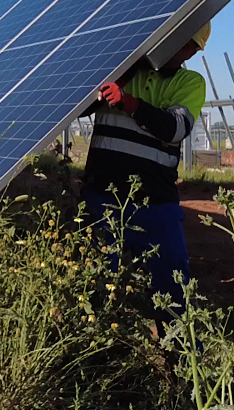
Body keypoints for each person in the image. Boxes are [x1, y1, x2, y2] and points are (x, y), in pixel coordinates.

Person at [80, 25, 209, 307]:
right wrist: (125, 73)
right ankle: (102, 345)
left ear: (193, 51)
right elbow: (77, 107)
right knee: (97, 280)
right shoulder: (120, 71)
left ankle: (180, 346)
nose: (178, 47)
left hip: (154, 202)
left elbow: (175, 128)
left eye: (186, 44)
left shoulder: (190, 83)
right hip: (102, 195)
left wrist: (129, 103)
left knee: (172, 283)